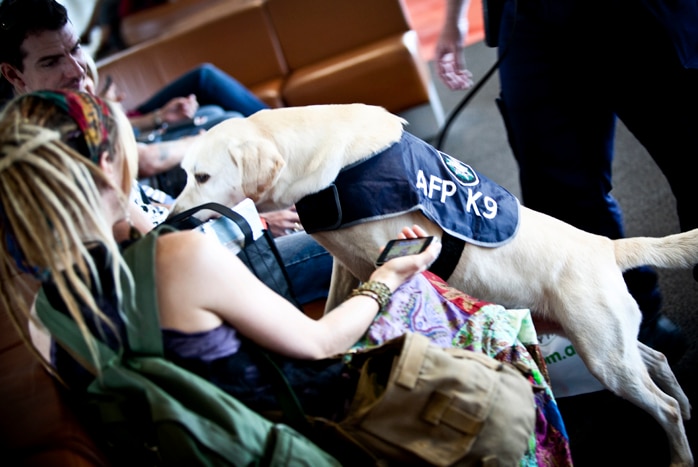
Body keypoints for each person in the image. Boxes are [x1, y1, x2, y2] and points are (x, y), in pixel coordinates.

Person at [0, 89, 572, 465]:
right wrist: (389, 277)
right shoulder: (174, 259)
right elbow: (322, 342)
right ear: (106, 165)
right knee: (490, 319)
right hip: (319, 432)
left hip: (221, 445)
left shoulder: (43, 315)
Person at [435, 0, 697, 464]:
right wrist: (455, 15)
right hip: (528, 18)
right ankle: (640, 329)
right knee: (561, 199)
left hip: (645, 13)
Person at [0, 0, 332, 306]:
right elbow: (158, 261)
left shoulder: (80, 123)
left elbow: (155, 212)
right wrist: (254, 223)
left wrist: (242, 212)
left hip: (199, 248)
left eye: (75, 49)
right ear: (14, 75)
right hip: (201, 280)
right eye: (51, 61)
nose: (76, 70)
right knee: (343, 238)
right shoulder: (47, 158)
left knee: (332, 205)